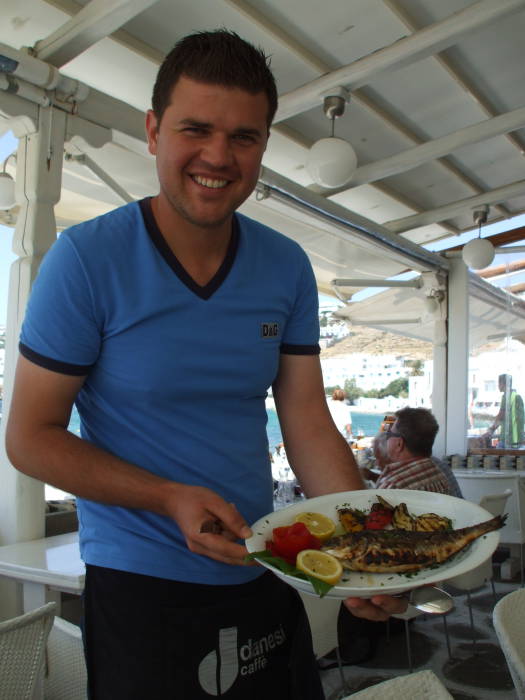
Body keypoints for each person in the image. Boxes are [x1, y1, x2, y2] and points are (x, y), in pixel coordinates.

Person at [5, 30, 405, 700]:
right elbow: (29, 437)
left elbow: (305, 419)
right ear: (155, 131)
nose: (218, 157)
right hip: (141, 583)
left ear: (264, 145)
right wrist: (167, 497)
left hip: (263, 568)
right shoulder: (86, 259)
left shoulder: (285, 265)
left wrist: (363, 557)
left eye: (244, 137)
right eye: (196, 129)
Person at [375, 407, 456, 494]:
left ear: (399, 444)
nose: (387, 438)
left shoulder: (393, 485)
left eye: (389, 434)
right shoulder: (438, 473)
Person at [485, 374, 524, 448]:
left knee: (496, 456)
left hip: (508, 439)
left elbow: (501, 416)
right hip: (518, 439)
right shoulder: (517, 397)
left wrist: (491, 430)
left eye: (499, 383)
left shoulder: (506, 397)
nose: (498, 385)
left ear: (504, 384)